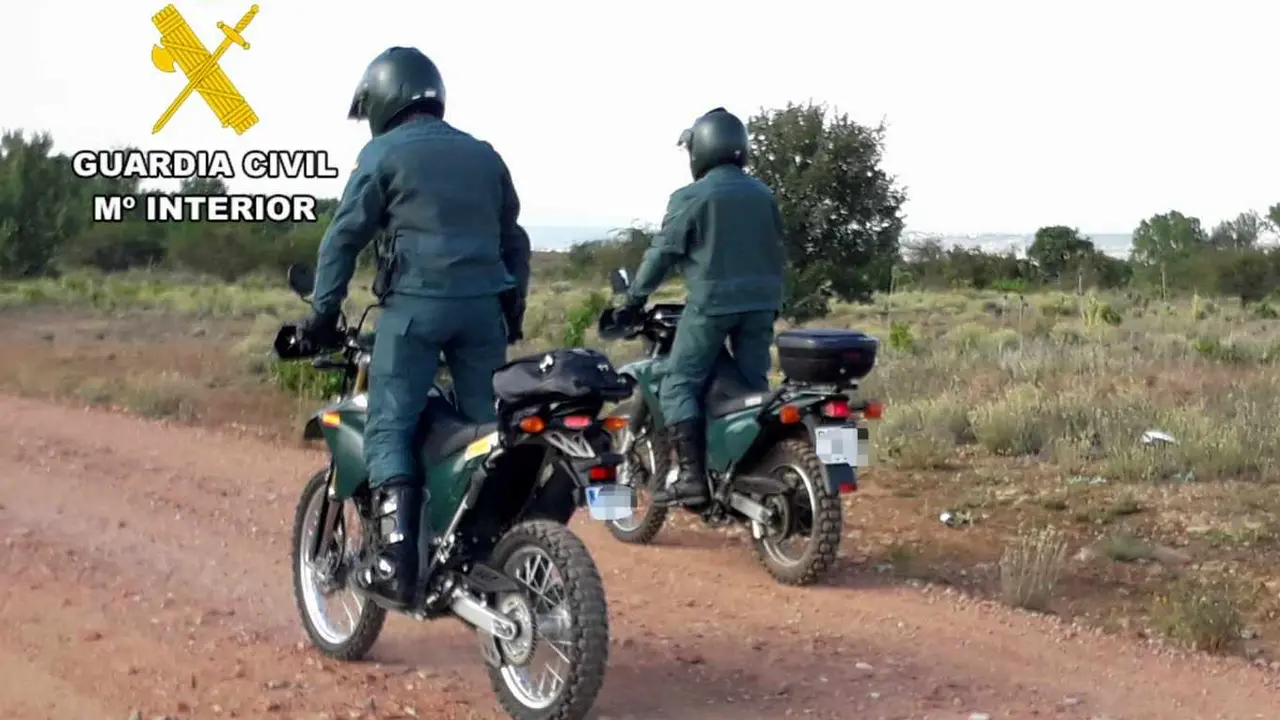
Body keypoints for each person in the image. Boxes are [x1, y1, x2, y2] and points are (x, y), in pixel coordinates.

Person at [298, 46, 531, 607]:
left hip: (415, 312)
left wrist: (322, 315)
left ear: (383, 99)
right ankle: (480, 548)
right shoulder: (484, 155)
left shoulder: (382, 155)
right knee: (483, 435)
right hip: (483, 316)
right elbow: (515, 241)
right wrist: (512, 312)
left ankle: (396, 561)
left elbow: (343, 238)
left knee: (390, 424)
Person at [616, 107, 786, 507]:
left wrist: (633, 299)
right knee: (750, 388)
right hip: (762, 306)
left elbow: (663, 253)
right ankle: (746, 470)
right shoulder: (763, 194)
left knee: (678, 383)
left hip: (712, 307)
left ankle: (691, 477)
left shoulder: (693, 196)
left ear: (702, 149)